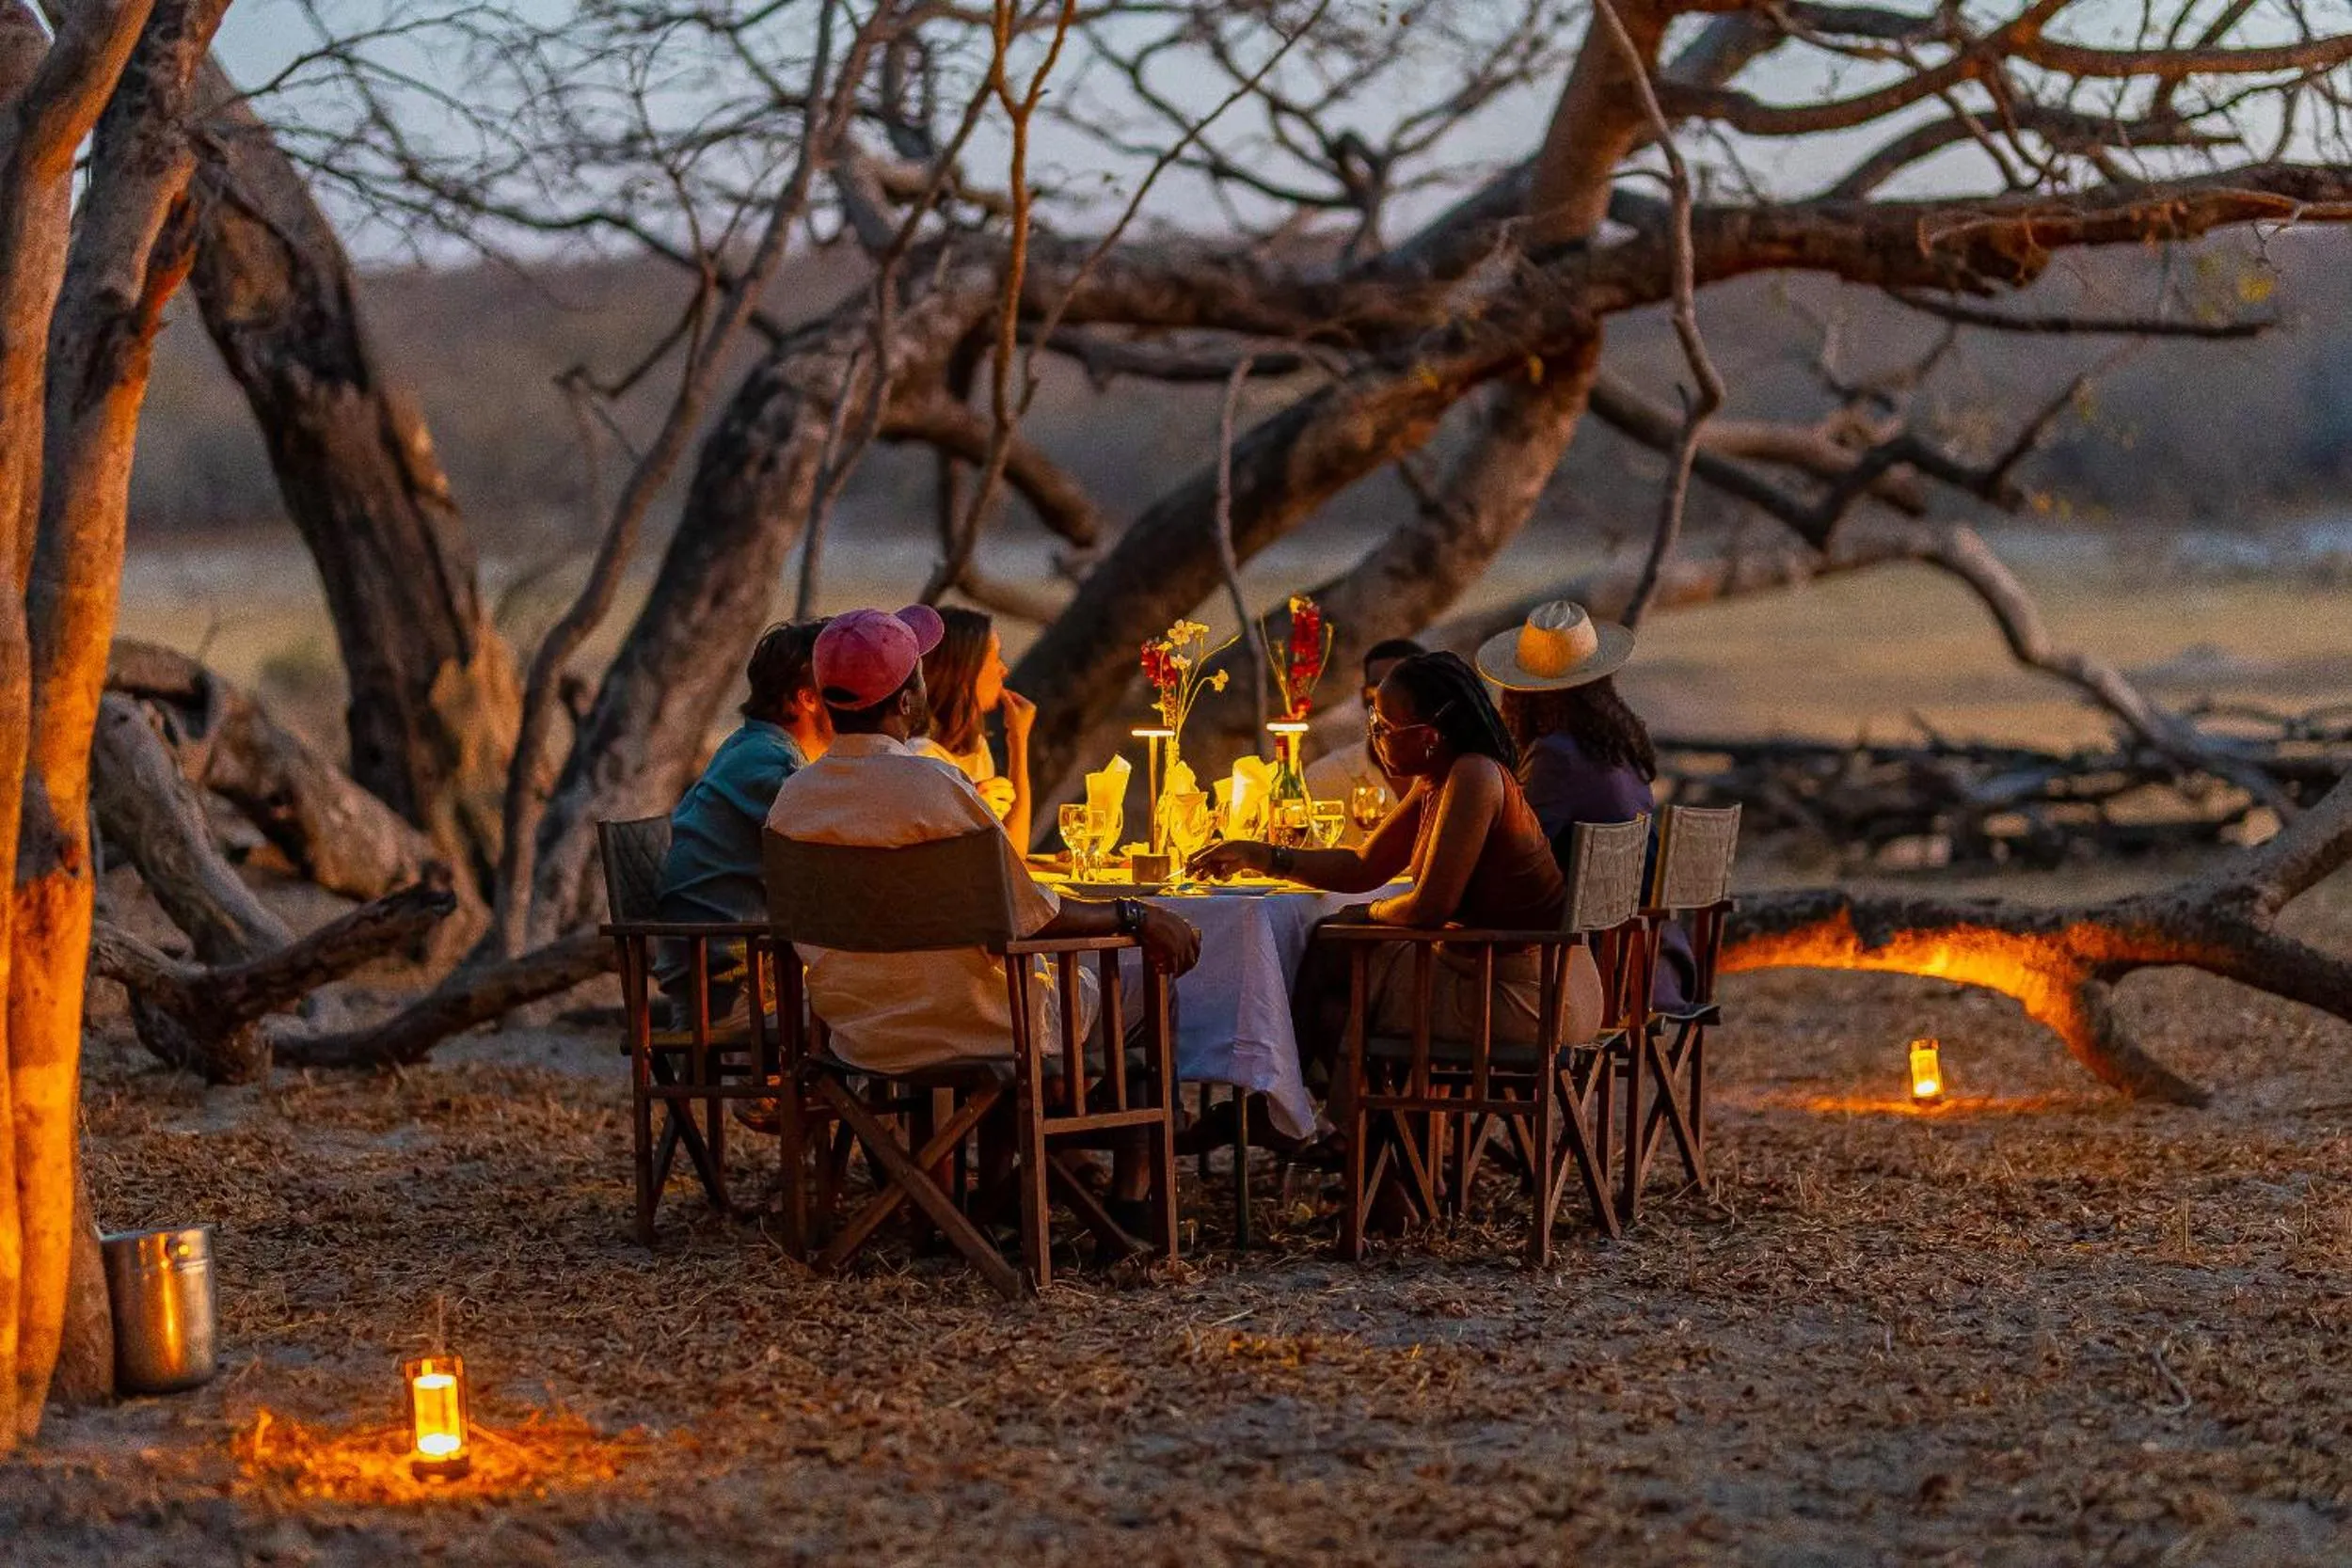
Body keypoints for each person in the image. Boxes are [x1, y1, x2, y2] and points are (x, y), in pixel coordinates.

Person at [767, 606, 1202, 1229]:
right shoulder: (932, 785)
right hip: (975, 1025)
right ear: (908, 700)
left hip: (860, 1032)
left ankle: (1012, 1186)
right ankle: (1131, 1200)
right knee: (1143, 983)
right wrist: (1134, 914)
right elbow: (1028, 914)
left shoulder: (794, 800)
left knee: (1035, 988)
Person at [1191, 650, 1600, 1062]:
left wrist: (1367, 914)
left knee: (1331, 980)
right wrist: (1261, 855)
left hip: (1528, 997)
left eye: (1384, 727)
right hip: (1507, 974)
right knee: (1332, 971)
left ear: (1429, 736)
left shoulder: (1475, 776)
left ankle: (1293, 1094)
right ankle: (1326, 1097)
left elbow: (1430, 908)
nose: (1374, 736)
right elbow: (1362, 865)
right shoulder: (1440, 777)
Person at [1479, 599, 1696, 1009]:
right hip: (1651, 954)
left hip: (1595, 968)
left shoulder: (1556, 755)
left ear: (1522, 694)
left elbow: (1518, 850)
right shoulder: (1618, 748)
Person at [653, 618, 831, 1022]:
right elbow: (833, 850)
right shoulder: (770, 762)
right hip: (737, 986)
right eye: (841, 690)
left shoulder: (748, 746)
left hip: (734, 968)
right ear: (807, 698)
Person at [913, 607, 1037, 849]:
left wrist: (1018, 740)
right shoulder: (921, 757)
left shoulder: (975, 747)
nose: (1004, 670)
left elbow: (1014, 849)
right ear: (965, 671)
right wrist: (969, 811)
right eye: (995, 658)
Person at [1303, 637, 1424, 846]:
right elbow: (1318, 856)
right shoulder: (1326, 776)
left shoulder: (1453, 776)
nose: (1389, 702)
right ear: (1364, 696)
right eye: (1378, 690)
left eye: (1403, 690)